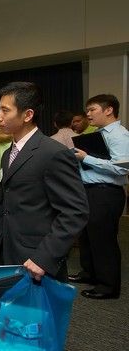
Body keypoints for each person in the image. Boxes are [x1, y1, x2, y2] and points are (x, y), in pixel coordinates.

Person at [0, 82, 89, 283]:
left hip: (35, 258)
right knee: (5, 310)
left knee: (34, 313)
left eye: (5, 110)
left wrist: (44, 257)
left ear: (27, 115)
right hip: (6, 249)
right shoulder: (8, 154)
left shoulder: (53, 153)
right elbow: (4, 202)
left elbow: (75, 212)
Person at [69, 94, 129, 299]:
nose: (88, 114)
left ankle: (107, 286)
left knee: (104, 240)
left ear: (109, 110)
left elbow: (122, 169)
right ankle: (90, 274)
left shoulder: (119, 135)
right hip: (90, 191)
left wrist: (88, 158)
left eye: (92, 109)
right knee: (87, 236)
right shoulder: (97, 134)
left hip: (106, 193)